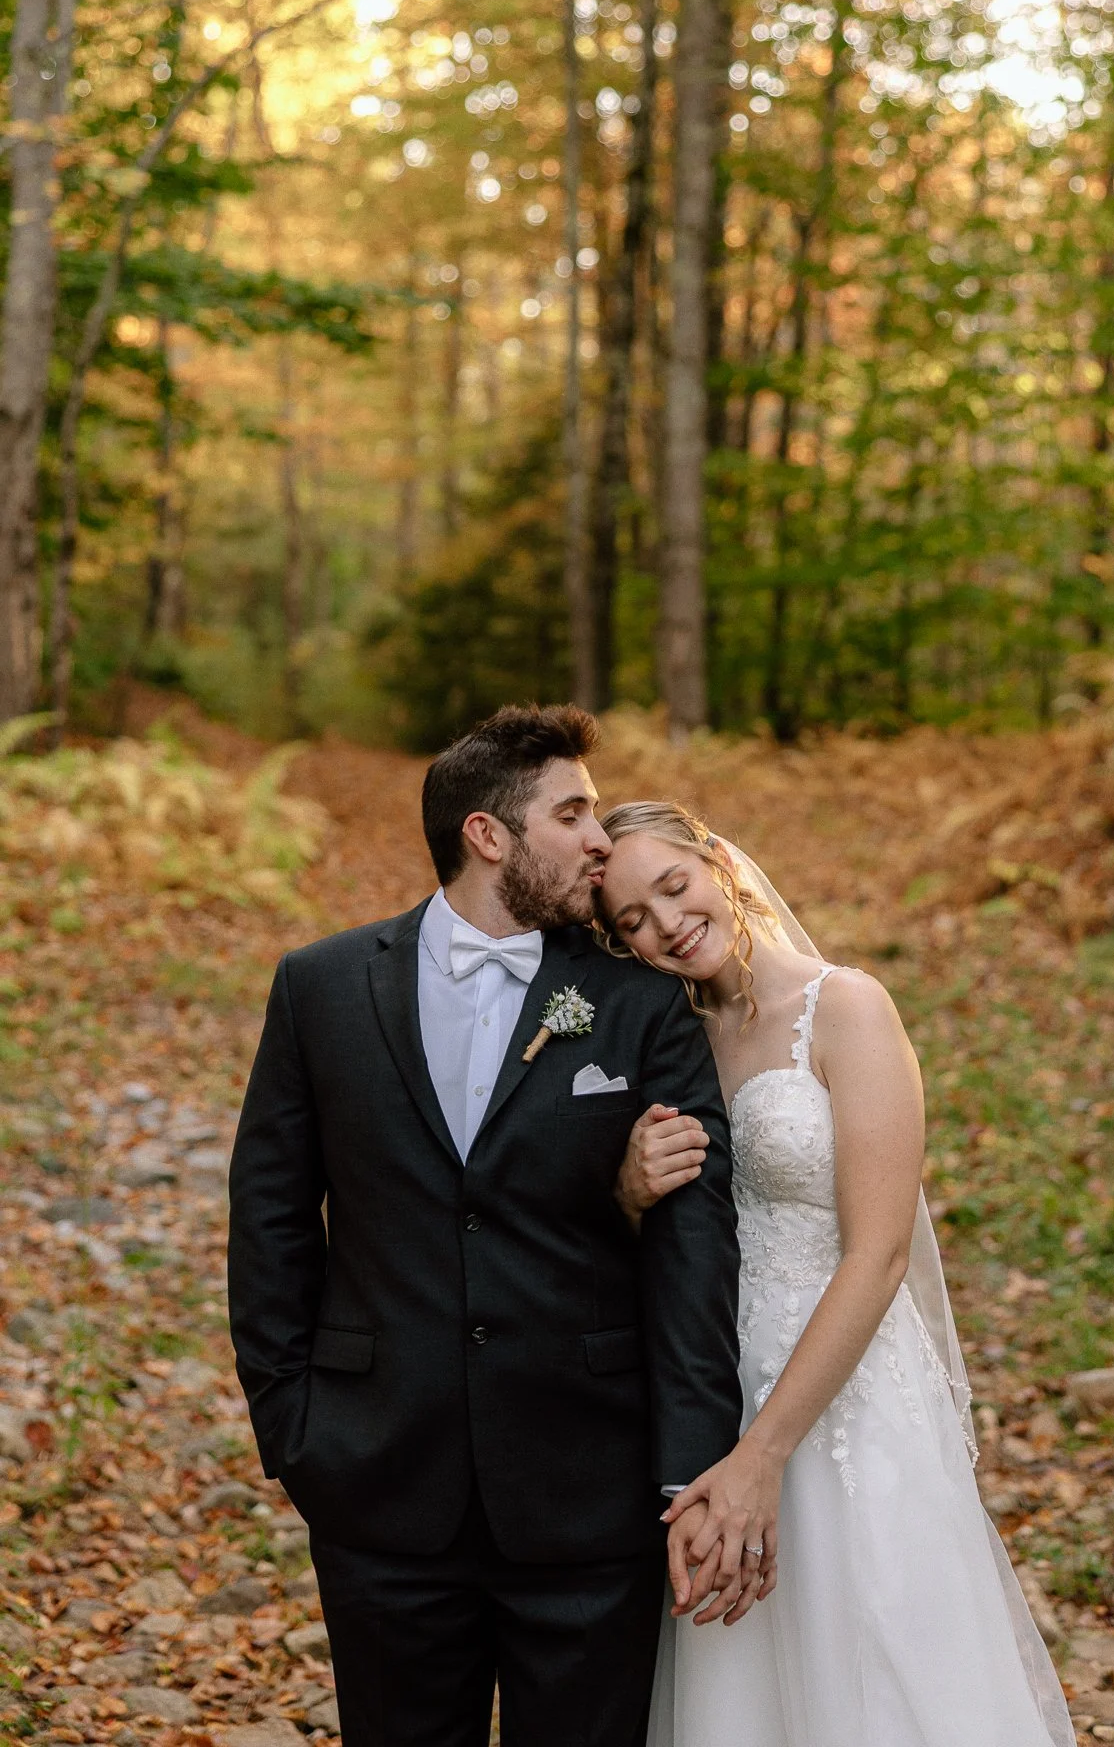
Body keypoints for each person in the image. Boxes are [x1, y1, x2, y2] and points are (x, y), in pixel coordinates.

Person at [226, 708, 743, 1747]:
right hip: (379, 1487)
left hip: (589, 1492)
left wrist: (688, 1468)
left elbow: (695, 1244)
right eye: (573, 814)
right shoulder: (320, 989)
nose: (599, 840)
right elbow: (270, 1220)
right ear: (487, 835)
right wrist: (296, 1433)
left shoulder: (639, 1001)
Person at [598, 800, 1075, 1747]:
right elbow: (666, 1239)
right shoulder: (670, 1038)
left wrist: (762, 1457)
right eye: (633, 922)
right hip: (720, 1391)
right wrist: (629, 1191)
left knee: (883, 1665)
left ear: (717, 860)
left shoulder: (846, 1007)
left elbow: (880, 1252)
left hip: (850, 1398)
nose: (667, 925)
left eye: (675, 886)